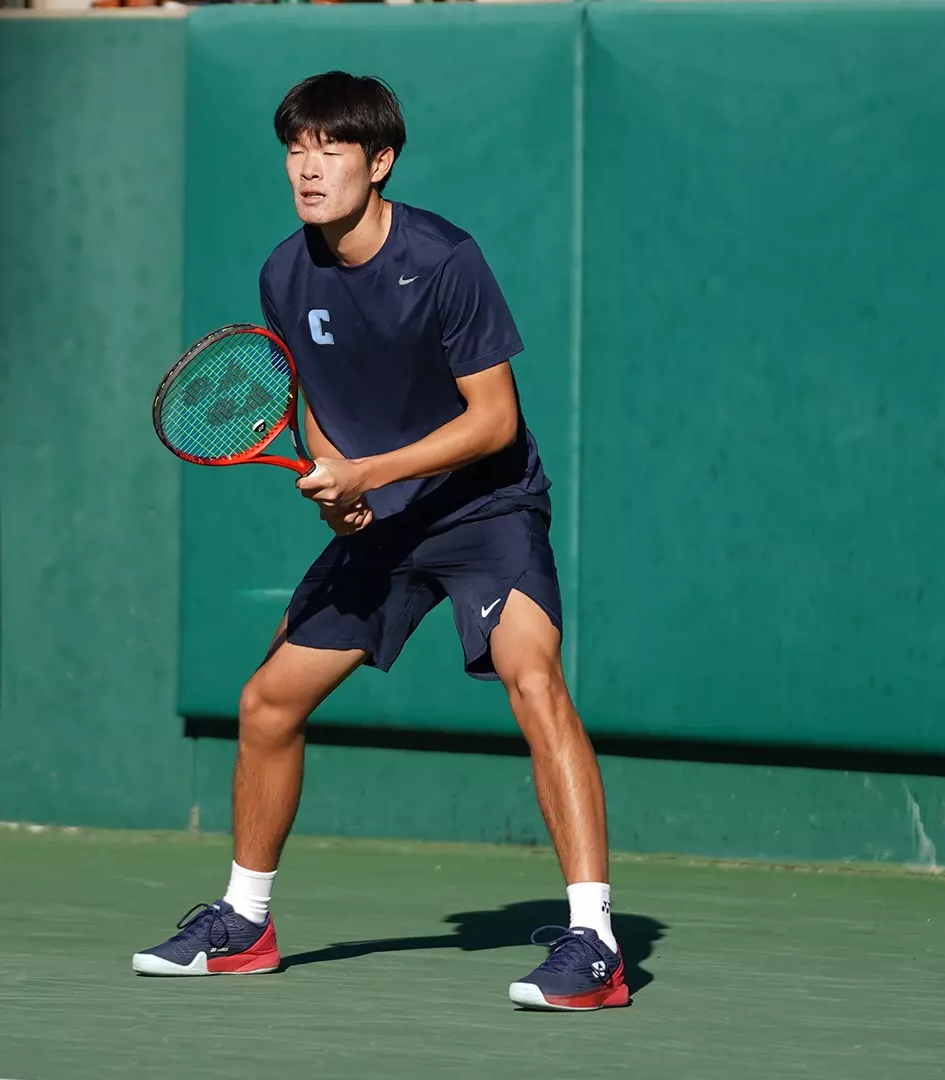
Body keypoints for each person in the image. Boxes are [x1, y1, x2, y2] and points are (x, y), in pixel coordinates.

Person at [131, 71, 627, 1012]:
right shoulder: (284, 273)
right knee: (267, 703)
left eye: (331, 150)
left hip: (485, 509)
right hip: (383, 521)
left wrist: (372, 471)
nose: (308, 169)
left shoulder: (445, 260)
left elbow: (494, 420)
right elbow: (316, 401)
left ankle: (595, 942)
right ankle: (244, 923)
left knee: (533, 676)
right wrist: (339, 484)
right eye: (295, 149)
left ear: (381, 161)